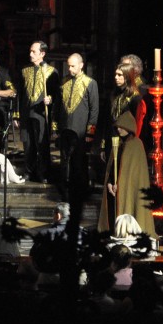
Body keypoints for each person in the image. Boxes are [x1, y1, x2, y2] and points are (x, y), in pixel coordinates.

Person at [98, 110, 156, 237]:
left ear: (129, 128)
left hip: (126, 191)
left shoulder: (136, 146)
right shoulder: (117, 143)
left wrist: (121, 185)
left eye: (121, 127)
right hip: (113, 191)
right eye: (117, 127)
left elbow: (134, 176)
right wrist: (109, 184)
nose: (119, 129)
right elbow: (111, 168)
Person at [58, 53, 100, 209]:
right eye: (68, 65)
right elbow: (59, 105)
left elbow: (94, 109)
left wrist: (90, 131)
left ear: (81, 65)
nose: (70, 69)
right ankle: (65, 191)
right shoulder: (64, 81)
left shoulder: (90, 83)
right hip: (65, 128)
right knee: (64, 161)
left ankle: (79, 192)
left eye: (73, 66)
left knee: (78, 162)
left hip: (81, 130)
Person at [19, 41, 59, 183]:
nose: (30, 54)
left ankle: (44, 173)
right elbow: (20, 94)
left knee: (42, 144)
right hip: (26, 112)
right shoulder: (25, 70)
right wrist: (17, 115)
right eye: (30, 51)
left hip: (41, 114)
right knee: (28, 144)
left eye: (33, 52)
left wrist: (51, 99)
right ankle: (28, 172)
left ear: (42, 54)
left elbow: (56, 95)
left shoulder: (51, 72)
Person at [109, 60, 146, 139]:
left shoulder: (135, 98)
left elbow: (137, 125)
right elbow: (108, 120)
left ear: (127, 77)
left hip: (127, 139)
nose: (116, 77)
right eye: (115, 74)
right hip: (112, 137)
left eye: (119, 75)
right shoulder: (114, 94)